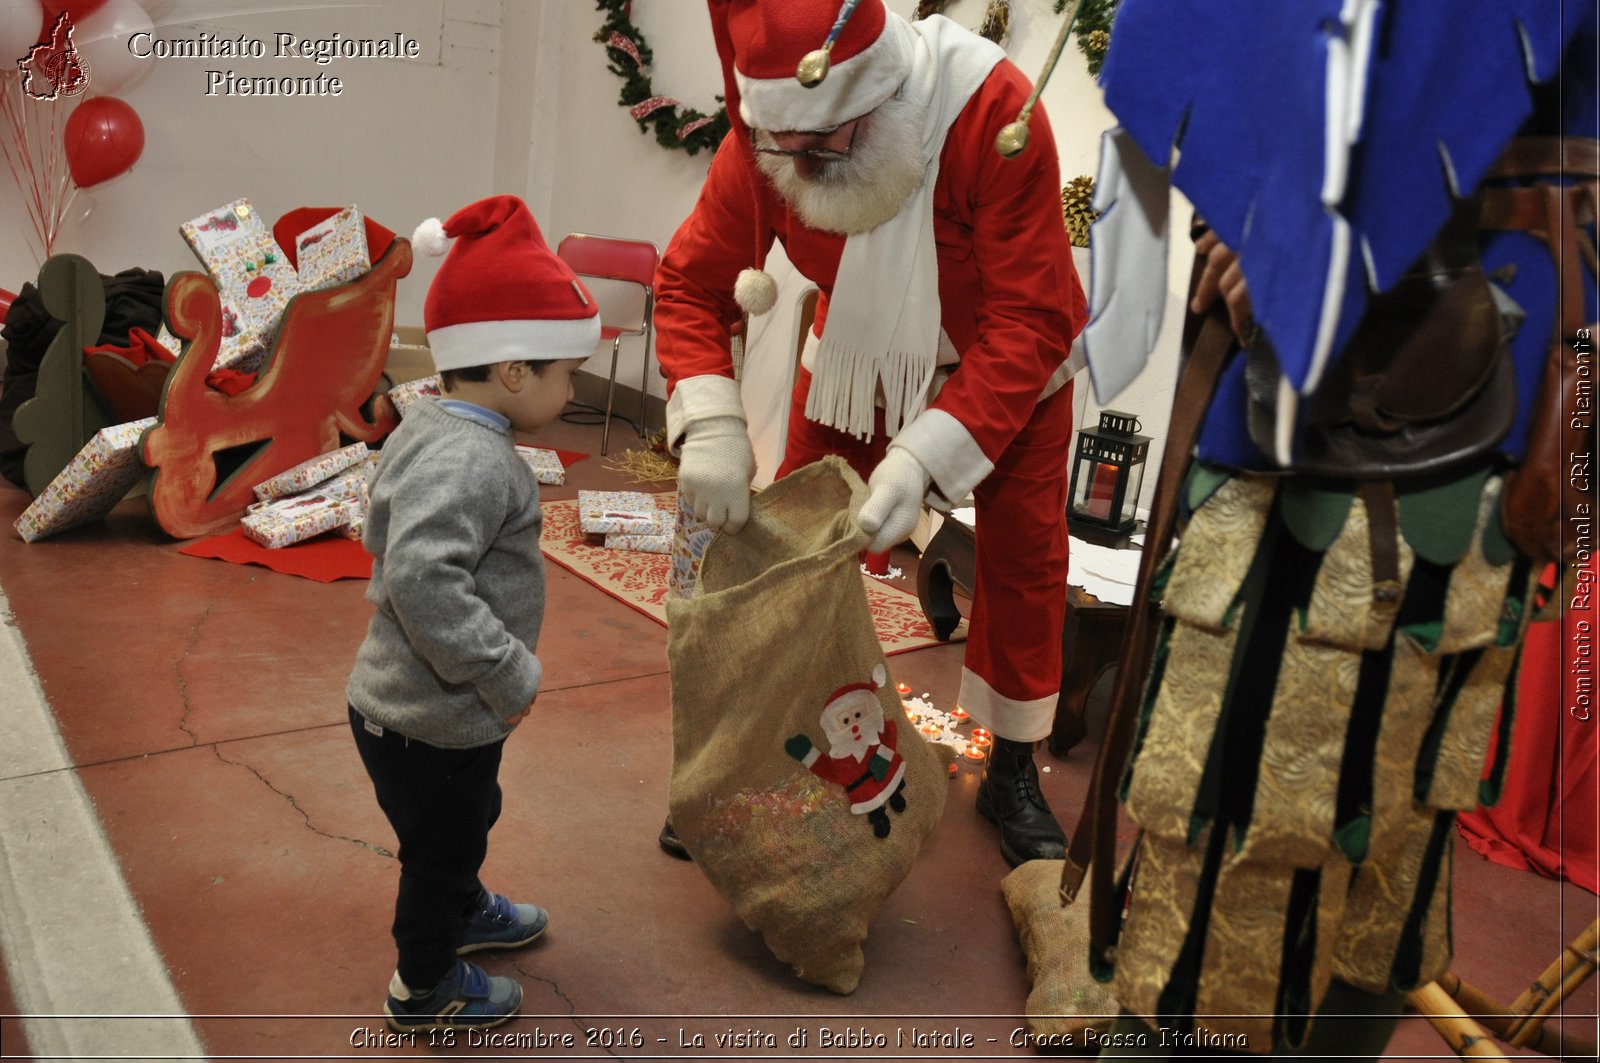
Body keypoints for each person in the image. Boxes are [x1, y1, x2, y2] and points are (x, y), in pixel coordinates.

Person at [1071, 2, 1597, 1056]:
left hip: (1403, 422)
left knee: (1338, 849)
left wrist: (1287, 239)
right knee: (1287, 840)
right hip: (1409, 409)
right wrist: (1247, 208)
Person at [653, 0, 1088, 868]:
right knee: (789, 555)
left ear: (880, 97)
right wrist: (709, 423)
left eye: (827, 147)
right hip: (853, 365)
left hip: (1004, 373)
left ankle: (1010, 765)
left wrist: (930, 452)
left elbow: (1030, 318)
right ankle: (748, 758)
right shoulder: (768, 141)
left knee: (1024, 560)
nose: (802, 170)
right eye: (788, 151)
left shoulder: (995, 118)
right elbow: (691, 283)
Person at [346, 194, 599, 1032]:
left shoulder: (433, 424)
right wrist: (503, 667)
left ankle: (465, 904)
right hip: (436, 711)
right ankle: (425, 985)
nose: (571, 387)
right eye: (566, 371)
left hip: (415, 708)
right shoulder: (476, 461)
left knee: (466, 817)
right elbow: (421, 578)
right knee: (440, 846)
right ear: (514, 371)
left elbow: (384, 530)